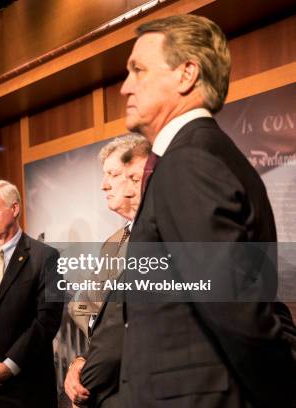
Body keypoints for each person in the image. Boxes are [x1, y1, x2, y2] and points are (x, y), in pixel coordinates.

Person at [118, 14, 295, 407]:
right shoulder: (201, 154)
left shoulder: (190, 161)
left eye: (138, 70)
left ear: (186, 74)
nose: (124, 86)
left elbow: (236, 309)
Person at [64, 135, 149, 408]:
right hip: (108, 382)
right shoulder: (113, 243)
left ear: (138, 177)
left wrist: (86, 381)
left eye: (112, 174)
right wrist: (82, 360)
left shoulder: (170, 233)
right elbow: (88, 308)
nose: (104, 185)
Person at [0, 180, 63, 408]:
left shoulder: (46, 257)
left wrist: (9, 365)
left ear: (14, 209)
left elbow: (47, 320)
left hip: (25, 386)